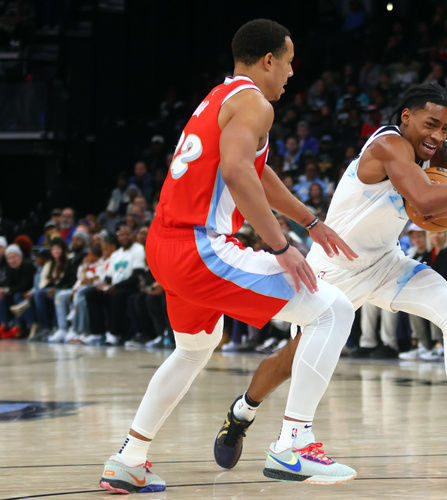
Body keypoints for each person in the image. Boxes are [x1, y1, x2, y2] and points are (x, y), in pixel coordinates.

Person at [213, 82, 447, 474]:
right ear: (407, 117)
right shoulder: (388, 145)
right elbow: (424, 200)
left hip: (387, 264)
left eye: (446, 128)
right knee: (289, 361)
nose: (438, 135)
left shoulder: (441, 155)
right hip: (333, 268)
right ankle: (242, 411)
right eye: (431, 124)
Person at [99, 19, 359, 493]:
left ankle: (130, 458)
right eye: (288, 61)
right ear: (268, 61)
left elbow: (255, 173)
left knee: (194, 349)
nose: (291, 72)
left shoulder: (220, 98)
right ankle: (294, 445)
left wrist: (310, 220)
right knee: (333, 310)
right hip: (200, 246)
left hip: (165, 244)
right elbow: (239, 174)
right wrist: (282, 246)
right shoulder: (255, 104)